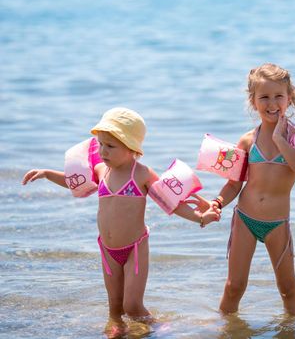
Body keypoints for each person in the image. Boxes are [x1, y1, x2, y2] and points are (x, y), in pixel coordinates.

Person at [22, 107, 219, 326]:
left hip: (134, 248)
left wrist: (201, 218)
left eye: (111, 146)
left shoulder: (141, 174)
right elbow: (73, 181)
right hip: (107, 249)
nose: (103, 151)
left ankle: (159, 329)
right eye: (101, 145)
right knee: (115, 308)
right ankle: (117, 330)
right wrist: (47, 174)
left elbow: (171, 202)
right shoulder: (100, 170)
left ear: (130, 148)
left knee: (132, 306)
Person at [210, 63, 295, 316]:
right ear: (253, 101)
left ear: (290, 98)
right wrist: (219, 202)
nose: (272, 103)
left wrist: (279, 139)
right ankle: (226, 331)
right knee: (234, 286)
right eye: (264, 97)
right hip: (245, 218)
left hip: (277, 223)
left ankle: (293, 332)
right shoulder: (247, 140)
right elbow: (234, 183)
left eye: (279, 96)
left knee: (288, 287)